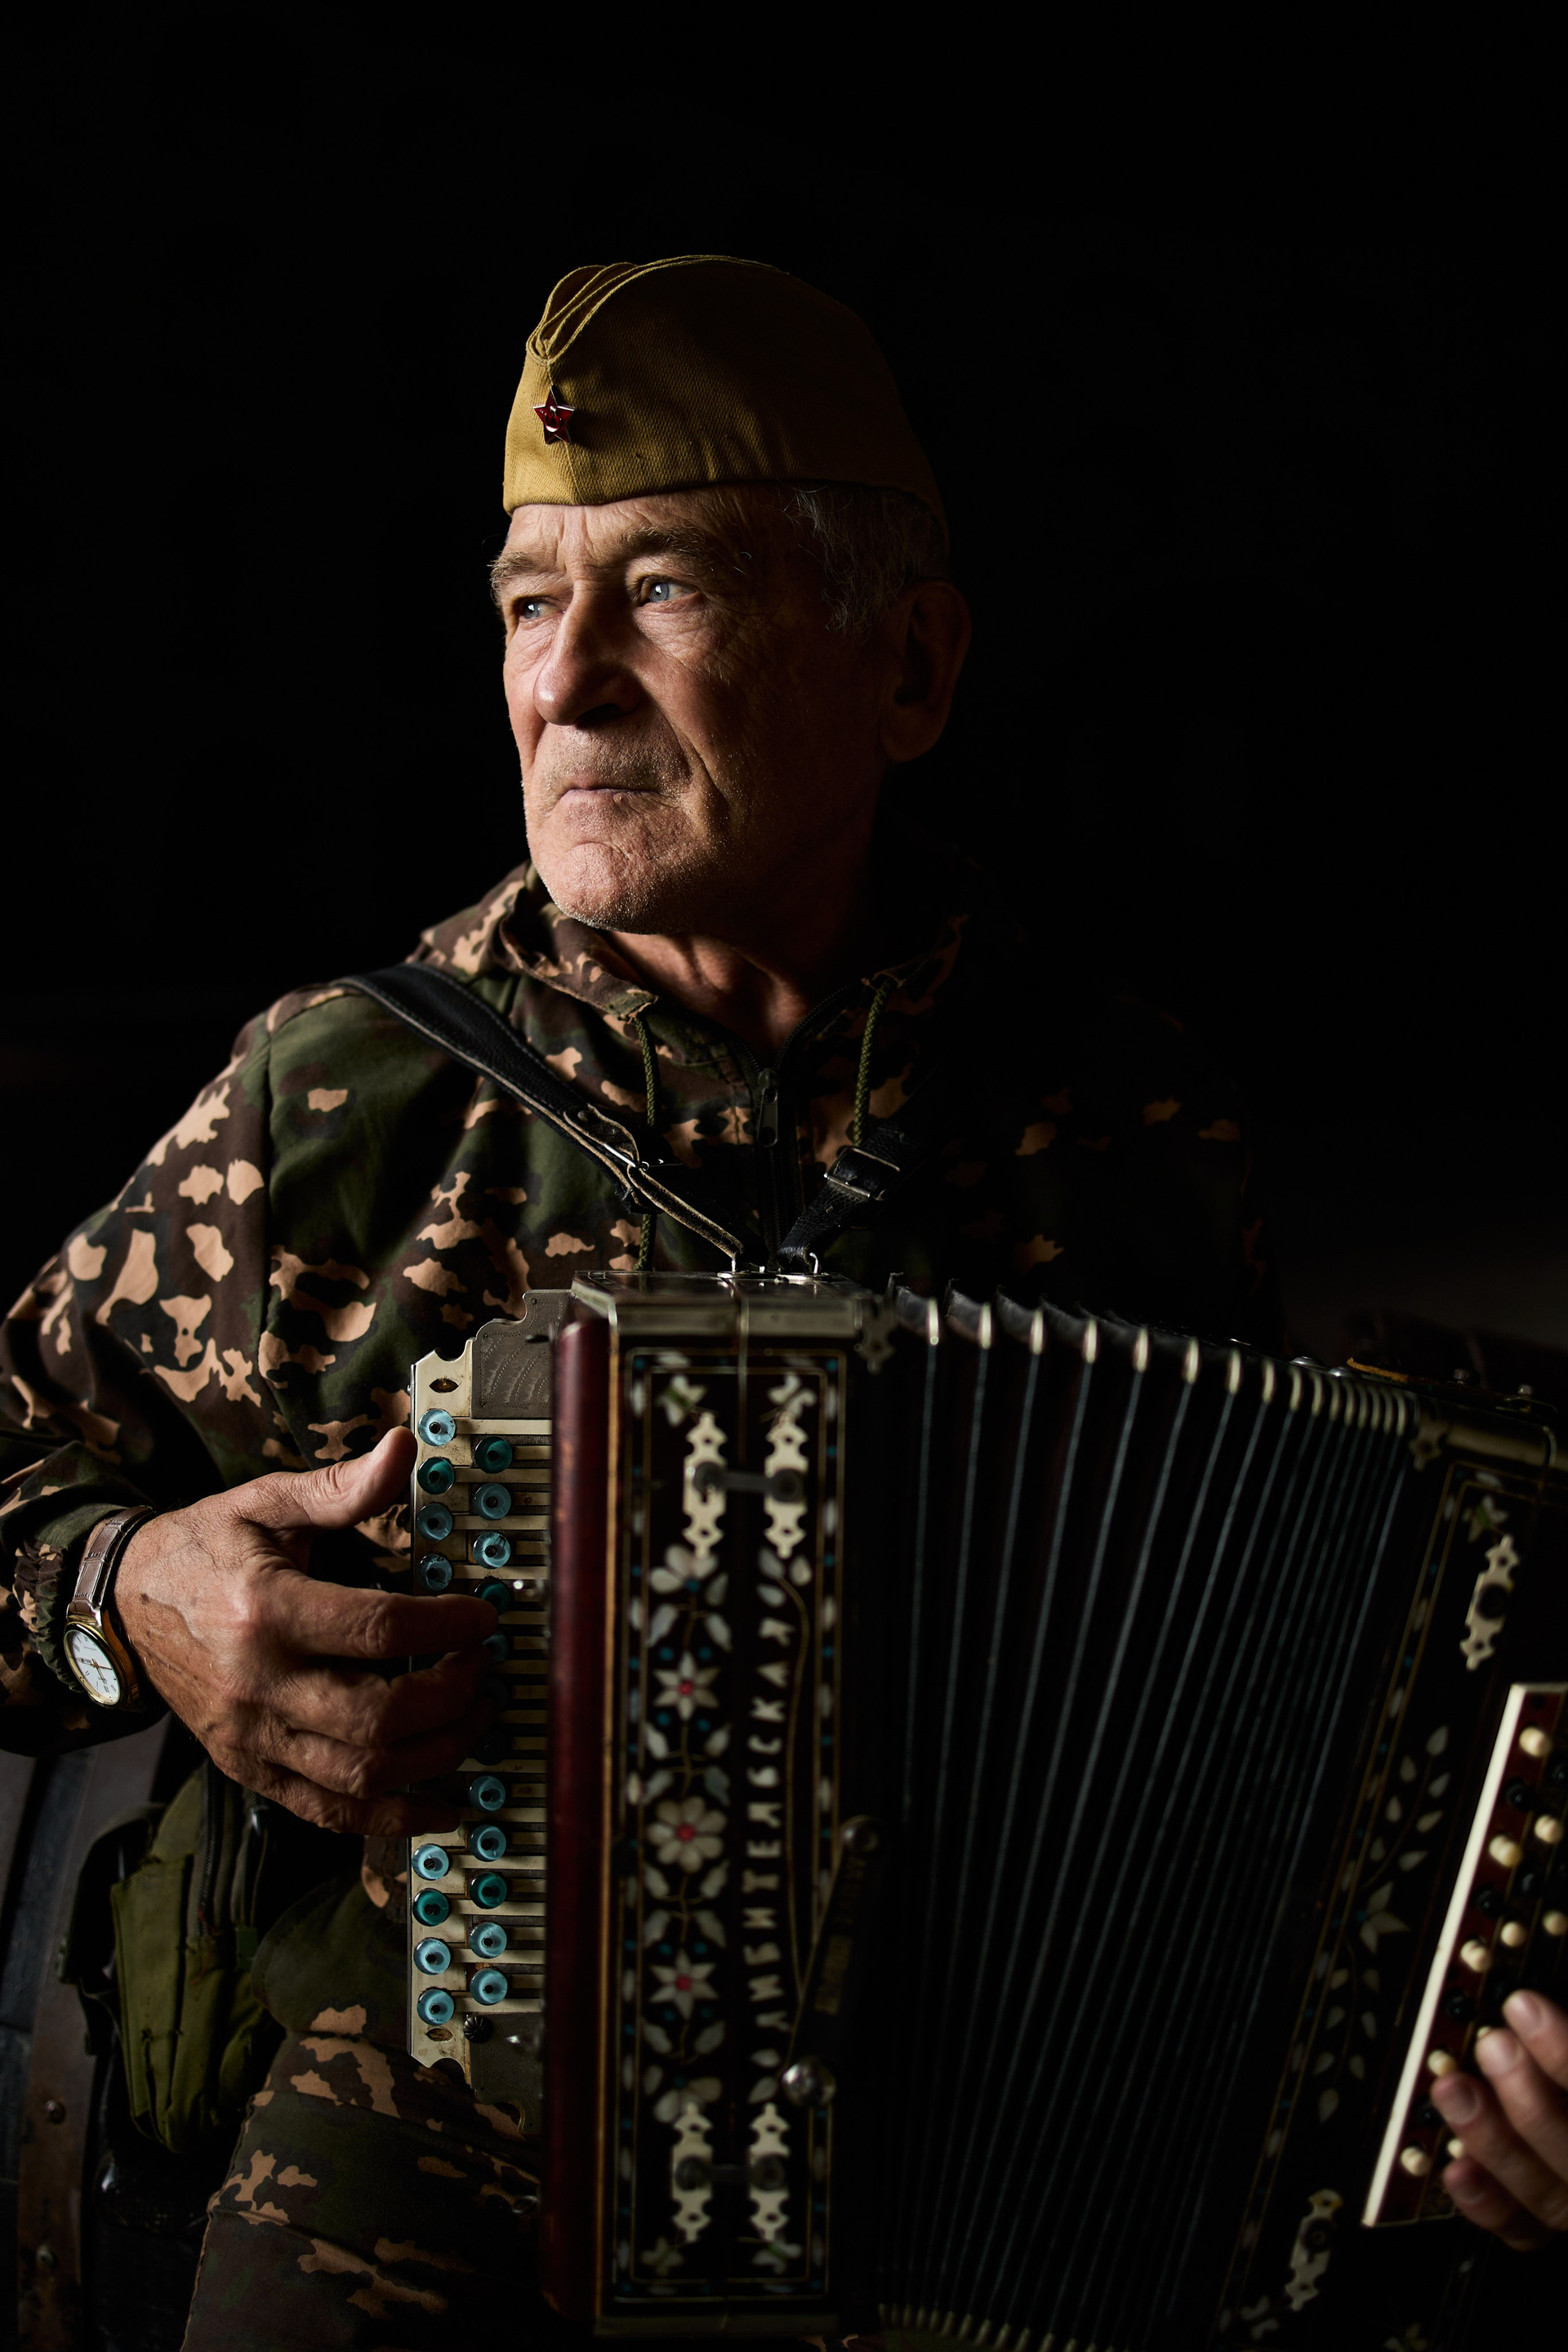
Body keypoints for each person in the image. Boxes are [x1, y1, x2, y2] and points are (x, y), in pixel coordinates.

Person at [2, 254, 1555, 2345]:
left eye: (661, 590)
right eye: (528, 604)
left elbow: (1316, 1709)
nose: (563, 686)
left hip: (1010, 2132)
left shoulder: (1125, 1114)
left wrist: (1487, 2028)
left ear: (907, 667)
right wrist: (127, 1597)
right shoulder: (341, 1101)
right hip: (448, 2131)